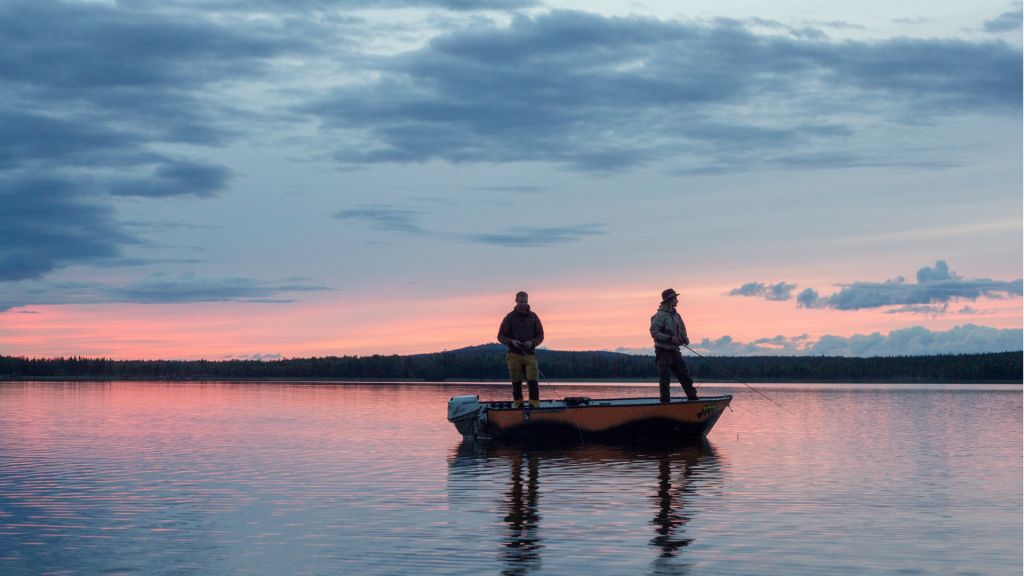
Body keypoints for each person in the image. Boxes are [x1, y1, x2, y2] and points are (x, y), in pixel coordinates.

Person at [650, 288, 698, 403]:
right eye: (676, 298)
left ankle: (693, 399)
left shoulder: (677, 316)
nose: (677, 300)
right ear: (670, 300)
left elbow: (682, 329)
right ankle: (665, 403)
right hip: (663, 351)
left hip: (675, 351)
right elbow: (654, 333)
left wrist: (685, 338)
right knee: (665, 379)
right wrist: (670, 338)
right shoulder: (659, 316)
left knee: (685, 376)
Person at [497, 291, 545, 408]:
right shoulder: (509, 317)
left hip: (530, 356)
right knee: (516, 382)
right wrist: (511, 342)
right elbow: (500, 336)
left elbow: (540, 336)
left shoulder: (534, 317)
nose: (523, 304)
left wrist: (532, 342)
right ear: (516, 301)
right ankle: (518, 405)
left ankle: (534, 405)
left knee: (533, 381)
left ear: (527, 301)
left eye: (524, 302)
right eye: (520, 302)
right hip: (514, 355)